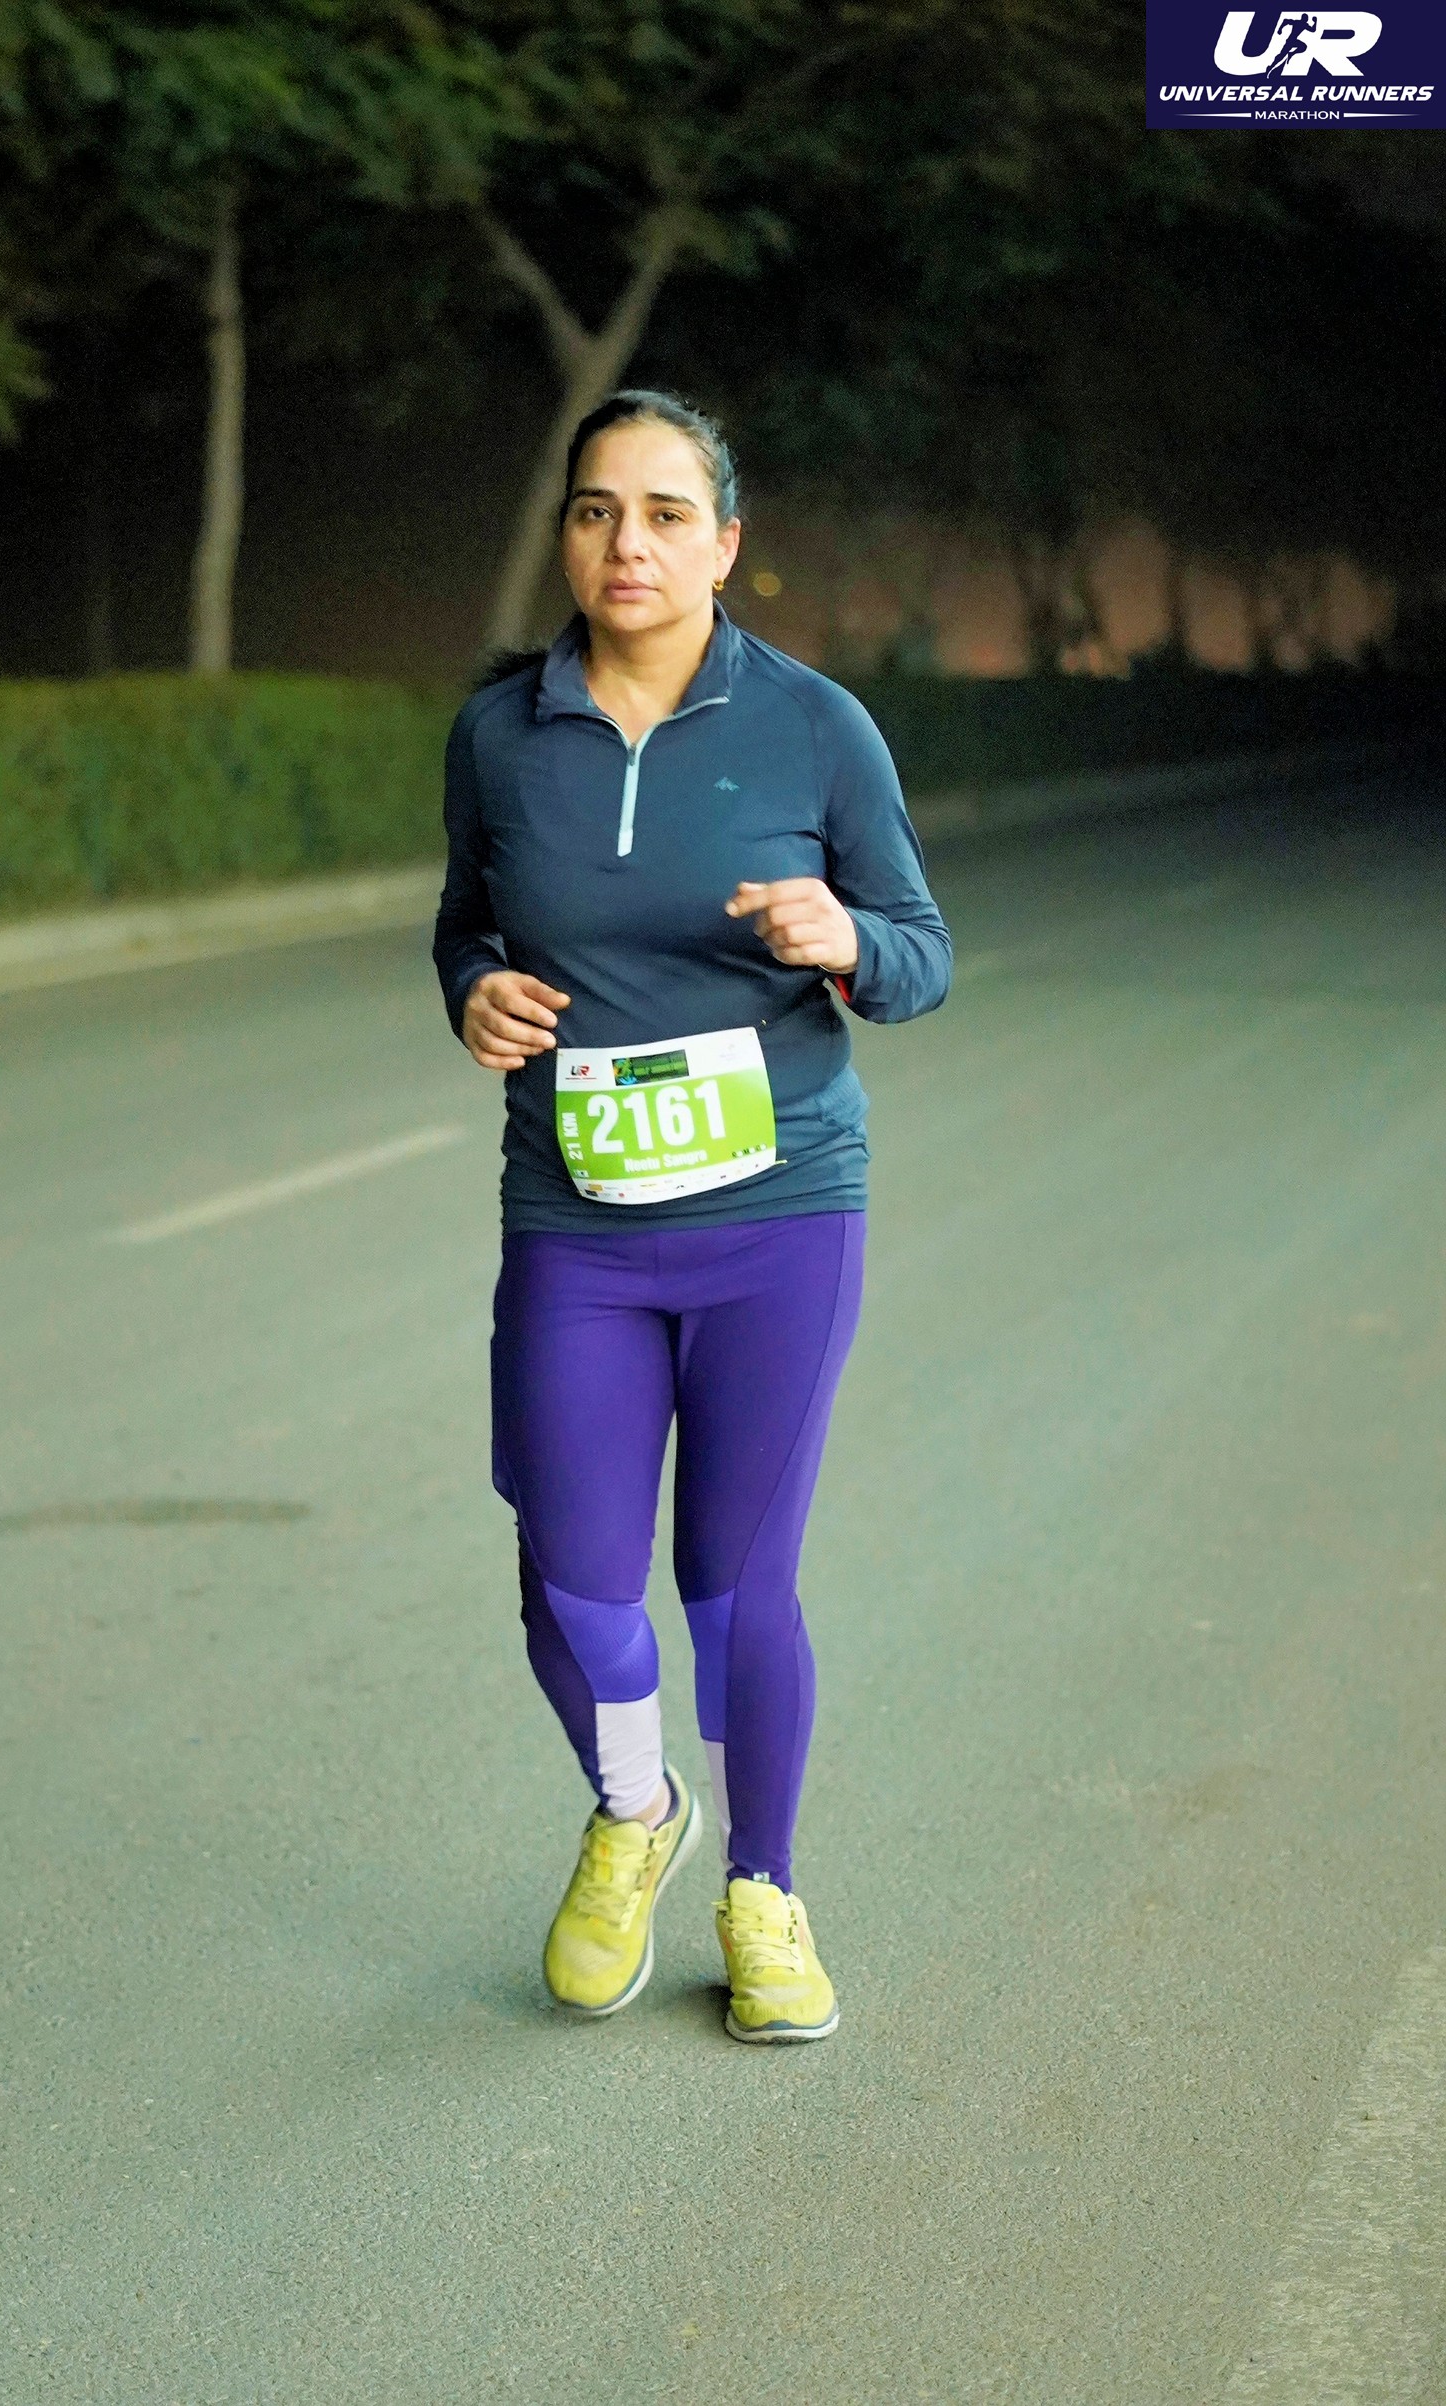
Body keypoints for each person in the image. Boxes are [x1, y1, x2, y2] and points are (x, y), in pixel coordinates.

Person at [433, 389, 951, 2042]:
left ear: (725, 544)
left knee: (734, 1583)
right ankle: (638, 1810)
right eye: (597, 510)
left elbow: (924, 953)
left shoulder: (815, 727)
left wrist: (846, 940)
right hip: (576, 1217)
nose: (628, 544)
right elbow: (464, 922)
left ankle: (765, 1888)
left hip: (777, 1212)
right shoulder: (500, 734)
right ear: (567, 536)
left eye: (666, 514)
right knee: (571, 1581)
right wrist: (476, 991)